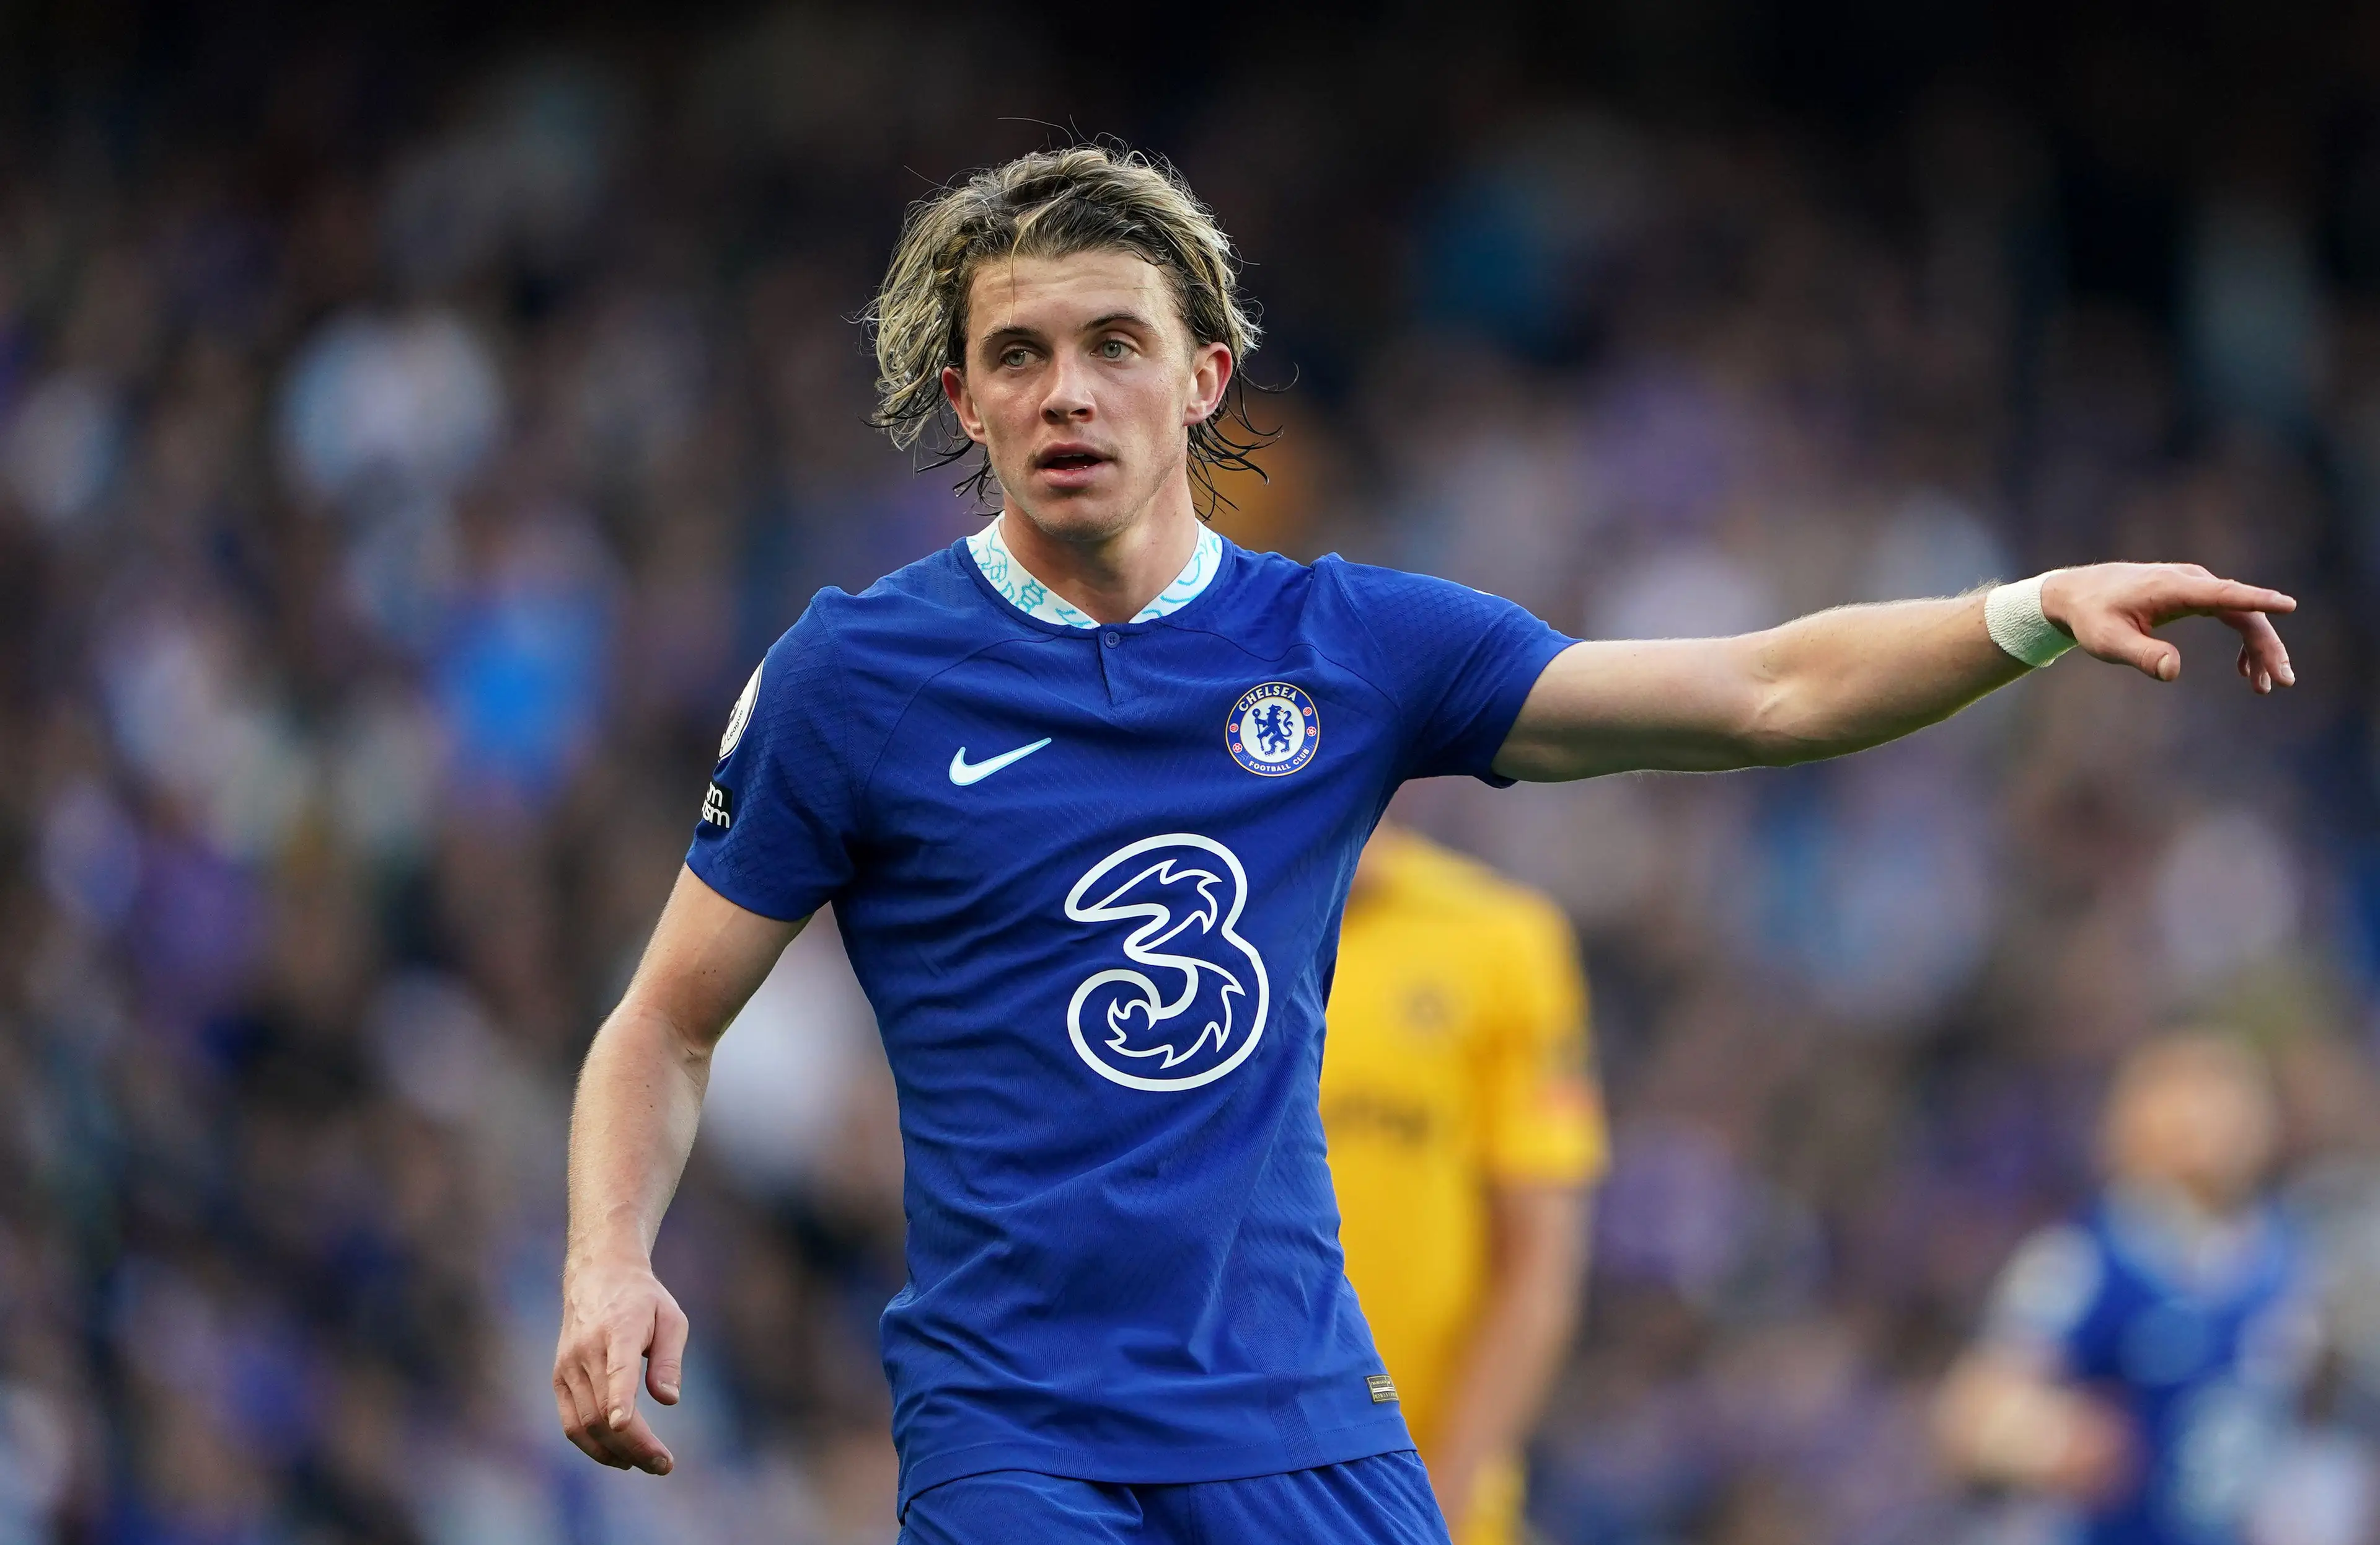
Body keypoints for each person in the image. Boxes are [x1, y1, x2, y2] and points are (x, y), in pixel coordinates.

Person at [548, 143, 2297, 1545]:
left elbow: (1762, 691)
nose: (1067, 389)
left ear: (1203, 375)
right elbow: (665, 1022)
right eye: (1019, 354)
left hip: (1301, 1412)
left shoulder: (1353, 645)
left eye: (1113, 342)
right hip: (1017, 1429)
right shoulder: (855, 674)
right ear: (967, 401)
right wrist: (609, 1257)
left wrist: (2027, 609)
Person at [1323, 824, 1604, 1544]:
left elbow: (1537, 1266)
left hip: (1430, 1505)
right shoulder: (1167, 928)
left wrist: (1431, 1515)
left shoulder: (1498, 936)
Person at [1934, 1034, 2318, 1544]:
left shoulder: (2284, 1256)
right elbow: (1973, 1411)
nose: (2210, 1121)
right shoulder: (2088, 1259)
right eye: (2186, 1099)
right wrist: (2051, 1440)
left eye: (2227, 1096)